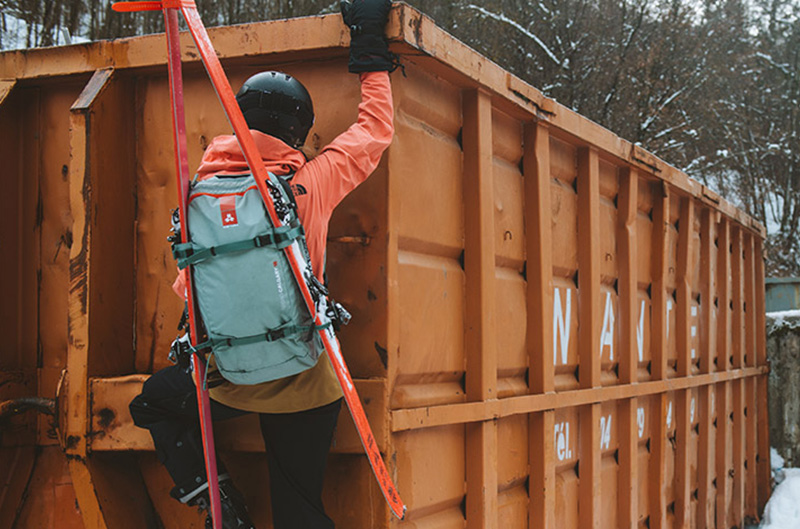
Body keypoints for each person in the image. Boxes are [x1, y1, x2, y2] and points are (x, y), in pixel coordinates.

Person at [128, 1, 398, 527]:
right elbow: (374, 131)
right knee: (300, 510)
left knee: (152, 404)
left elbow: (192, 290)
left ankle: (219, 499)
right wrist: (368, 37)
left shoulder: (196, 197)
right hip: (306, 380)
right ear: (298, 130)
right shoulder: (307, 186)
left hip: (226, 376)